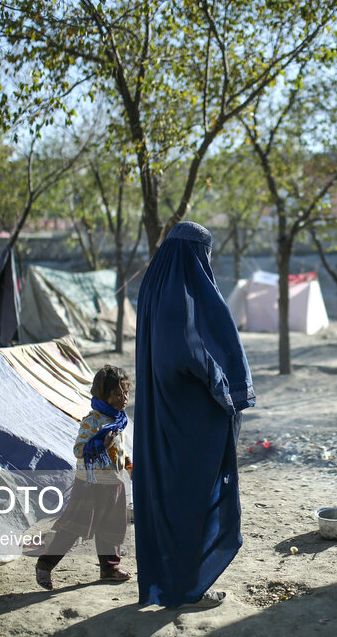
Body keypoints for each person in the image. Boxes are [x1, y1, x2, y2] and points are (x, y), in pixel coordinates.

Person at [133, 221, 256, 609]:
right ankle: (184, 589)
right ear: (194, 254)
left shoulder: (155, 286)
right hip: (185, 418)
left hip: (163, 411)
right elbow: (182, 356)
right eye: (206, 254)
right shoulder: (177, 294)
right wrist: (219, 381)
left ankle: (173, 584)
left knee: (170, 499)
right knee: (188, 498)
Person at [35, 365, 133, 590]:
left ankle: (110, 568)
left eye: (125, 392)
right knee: (74, 527)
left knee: (112, 527)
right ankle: (45, 565)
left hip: (113, 483)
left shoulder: (118, 419)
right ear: (103, 396)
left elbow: (118, 448)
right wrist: (100, 444)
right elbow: (79, 450)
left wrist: (127, 464)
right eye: (117, 394)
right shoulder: (93, 421)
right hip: (91, 484)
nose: (124, 398)